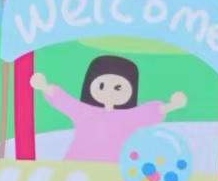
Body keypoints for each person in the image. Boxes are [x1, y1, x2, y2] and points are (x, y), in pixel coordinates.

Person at [28, 55, 185, 163]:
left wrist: (172, 105)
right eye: (102, 85)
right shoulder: (84, 111)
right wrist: (44, 86)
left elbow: (149, 112)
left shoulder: (129, 115)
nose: (109, 92)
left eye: (118, 88)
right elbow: (64, 100)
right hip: (79, 161)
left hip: (115, 166)